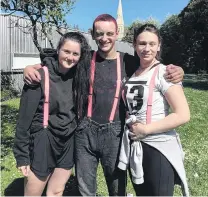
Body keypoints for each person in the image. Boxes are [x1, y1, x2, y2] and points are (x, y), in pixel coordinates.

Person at [23, 14, 185, 196]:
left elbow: (151, 66)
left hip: (114, 133)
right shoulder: (85, 59)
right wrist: (33, 67)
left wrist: (178, 70)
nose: (104, 38)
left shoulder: (128, 61)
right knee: (85, 189)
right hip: (84, 131)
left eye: (109, 33)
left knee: (117, 188)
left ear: (117, 34)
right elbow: (59, 59)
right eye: (99, 33)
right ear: (93, 35)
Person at [13, 32, 91, 196]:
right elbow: (23, 120)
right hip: (44, 137)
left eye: (75, 53)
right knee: (33, 192)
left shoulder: (79, 75)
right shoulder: (38, 76)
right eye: (66, 51)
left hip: (68, 139)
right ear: (58, 50)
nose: (70, 57)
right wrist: (22, 155)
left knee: (56, 191)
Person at [118, 24, 190, 196]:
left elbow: (183, 114)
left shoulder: (165, 72)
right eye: (142, 43)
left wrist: (146, 129)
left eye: (152, 44)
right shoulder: (133, 72)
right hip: (137, 146)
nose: (147, 48)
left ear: (159, 46)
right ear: (134, 45)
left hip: (158, 147)